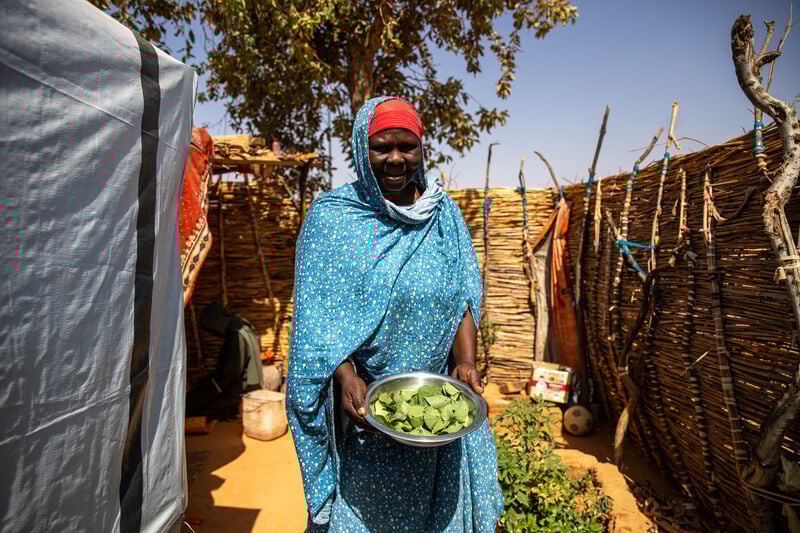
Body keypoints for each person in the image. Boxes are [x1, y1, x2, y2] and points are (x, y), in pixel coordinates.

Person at [286, 96, 504, 533]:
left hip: (435, 410)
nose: (396, 159)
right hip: (368, 415)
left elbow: (462, 295)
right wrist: (345, 375)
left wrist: (464, 361)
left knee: (436, 516)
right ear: (361, 150)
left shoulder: (443, 215)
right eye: (382, 146)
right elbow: (316, 321)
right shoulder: (335, 218)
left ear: (422, 149)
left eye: (408, 146)